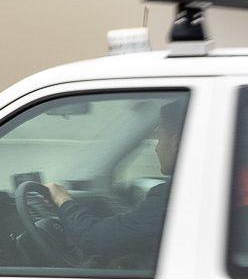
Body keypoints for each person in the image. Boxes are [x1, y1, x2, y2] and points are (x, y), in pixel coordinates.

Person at [45, 103, 182, 270]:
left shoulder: (175, 196)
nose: (156, 148)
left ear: (174, 140)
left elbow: (94, 239)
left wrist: (62, 199)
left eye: (160, 138)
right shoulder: (191, 192)